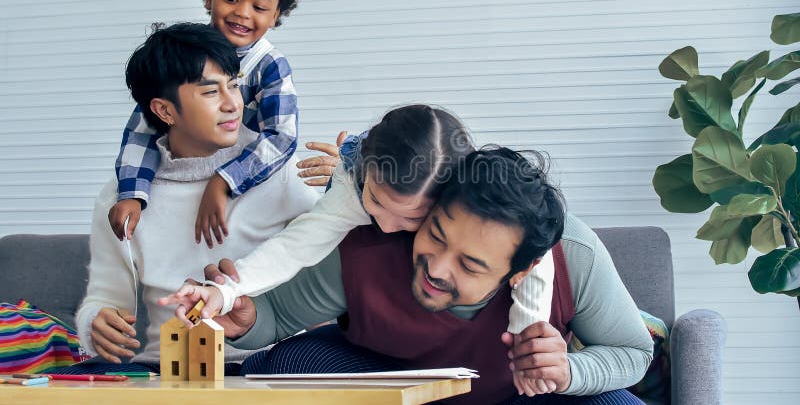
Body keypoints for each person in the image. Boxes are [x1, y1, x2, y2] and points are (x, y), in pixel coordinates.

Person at [163, 147, 653, 404]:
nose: (437, 268)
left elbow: (635, 351)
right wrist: (248, 319)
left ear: (522, 270)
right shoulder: (372, 240)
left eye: (471, 264)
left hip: (514, 397)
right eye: (436, 235)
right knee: (279, 367)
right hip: (392, 386)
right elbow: (275, 316)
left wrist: (570, 370)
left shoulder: (574, 256)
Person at [162, 105, 559, 393]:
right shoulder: (353, 188)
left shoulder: (508, 227)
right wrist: (225, 291)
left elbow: (536, 261)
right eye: (378, 204)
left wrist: (526, 335)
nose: (386, 225)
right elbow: (294, 246)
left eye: (410, 219)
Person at [60, 23, 319, 374]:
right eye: (211, 93)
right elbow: (107, 297)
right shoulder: (123, 196)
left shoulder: (276, 172)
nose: (233, 104)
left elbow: (336, 263)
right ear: (165, 111)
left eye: (234, 85)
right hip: (163, 368)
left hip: (264, 365)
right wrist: (95, 322)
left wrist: (348, 179)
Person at [109, 0, 313, 247]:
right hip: (182, 181)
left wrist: (224, 180)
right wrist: (132, 193)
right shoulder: (184, 56)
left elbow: (281, 137)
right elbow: (142, 128)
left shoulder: (270, 65)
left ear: (276, 15)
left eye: (259, 6)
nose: (243, 13)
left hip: (247, 191)